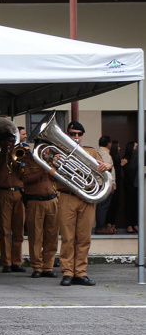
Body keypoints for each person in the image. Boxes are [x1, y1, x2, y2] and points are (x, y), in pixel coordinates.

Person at [57, 120, 111, 286]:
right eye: (73, 134)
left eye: (79, 134)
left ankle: (80, 272)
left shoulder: (91, 151)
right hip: (67, 196)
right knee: (67, 237)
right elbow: (50, 174)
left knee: (84, 238)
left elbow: (104, 167)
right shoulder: (59, 151)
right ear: (67, 134)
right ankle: (67, 272)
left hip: (87, 197)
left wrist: (108, 165)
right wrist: (55, 162)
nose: (76, 137)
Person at [17, 143, 59, 279]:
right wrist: (43, 169)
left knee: (52, 236)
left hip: (52, 200)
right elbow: (25, 179)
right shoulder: (28, 162)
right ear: (36, 149)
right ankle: (37, 267)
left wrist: (53, 164)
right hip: (35, 201)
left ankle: (48, 267)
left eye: (47, 149)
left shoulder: (53, 161)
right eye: (42, 149)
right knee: (35, 236)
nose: (45, 152)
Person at [0, 127, 26, 273]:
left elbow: (23, 172)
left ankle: (17, 261)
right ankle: (6, 262)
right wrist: (4, 157)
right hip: (2, 193)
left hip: (18, 193)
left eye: (12, 141)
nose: (10, 143)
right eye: (8, 141)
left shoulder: (19, 155)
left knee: (18, 230)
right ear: (2, 142)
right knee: (5, 230)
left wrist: (15, 159)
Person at [94, 135, 116, 234]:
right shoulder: (106, 155)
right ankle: (100, 227)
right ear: (109, 144)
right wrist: (112, 185)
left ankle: (100, 225)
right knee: (103, 206)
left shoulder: (97, 152)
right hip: (104, 184)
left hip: (98, 183)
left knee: (100, 206)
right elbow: (107, 172)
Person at [121, 142, 139, 233]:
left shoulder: (139, 157)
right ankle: (129, 224)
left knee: (136, 204)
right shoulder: (126, 158)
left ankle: (135, 223)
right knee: (129, 204)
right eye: (135, 146)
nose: (137, 147)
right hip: (129, 184)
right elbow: (127, 170)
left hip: (137, 184)